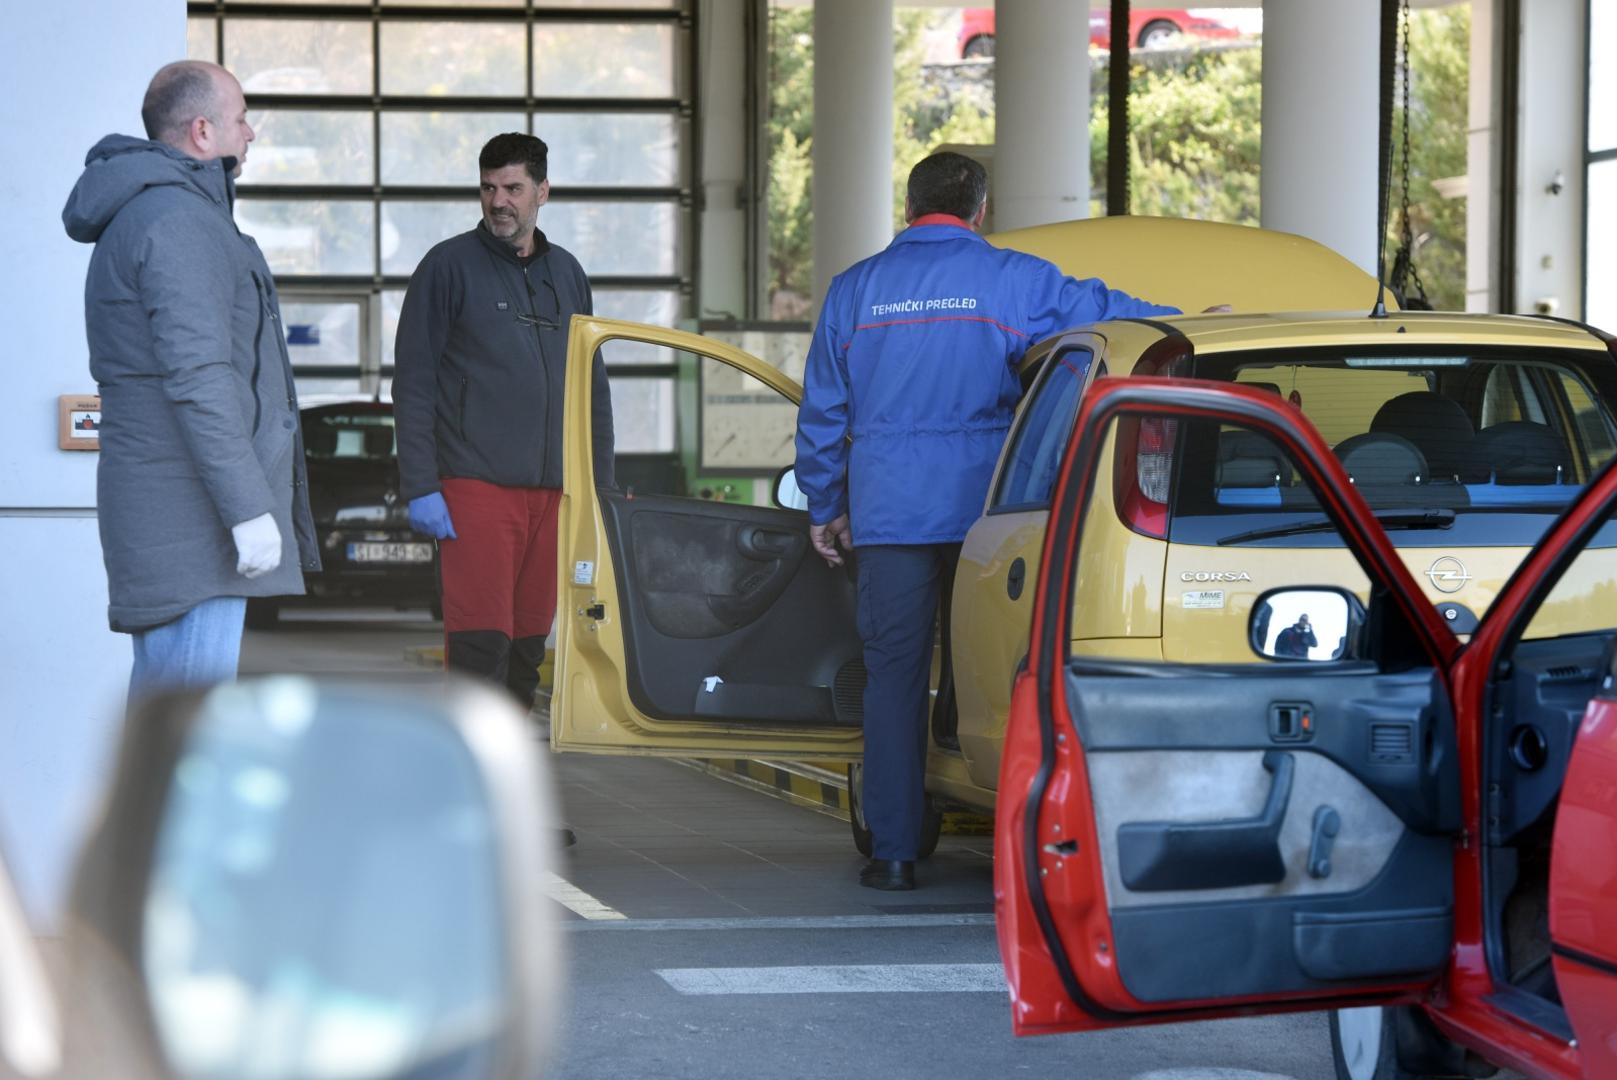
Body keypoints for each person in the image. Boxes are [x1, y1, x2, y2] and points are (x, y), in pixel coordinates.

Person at [795, 151, 1182, 891]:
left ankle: (896, 852)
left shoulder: (855, 291)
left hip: (889, 511)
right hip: (990, 514)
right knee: (994, 675)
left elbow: (823, 414)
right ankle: (1022, 842)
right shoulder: (1015, 279)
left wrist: (825, 504)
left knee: (893, 679)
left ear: (908, 209)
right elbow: (1110, 313)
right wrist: (1187, 318)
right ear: (979, 210)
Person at [62, 60, 319, 700]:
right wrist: (247, 509)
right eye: (241, 119)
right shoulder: (178, 222)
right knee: (186, 736)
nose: (251, 133)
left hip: (175, 509)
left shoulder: (163, 214)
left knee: (170, 728)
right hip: (194, 522)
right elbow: (200, 377)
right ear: (203, 132)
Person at [393, 132, 615, 716]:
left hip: (552, 494)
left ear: (542, 191)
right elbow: (413, 381)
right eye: (489, 188)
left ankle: (511, 765)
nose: (499, 202)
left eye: (513, 188)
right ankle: (468, 774)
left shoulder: (567, 274)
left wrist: (601, 489)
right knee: (479, 639)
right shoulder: (447, 268)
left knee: (526, 643)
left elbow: (592, 388)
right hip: (474, 486)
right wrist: (420, 484)